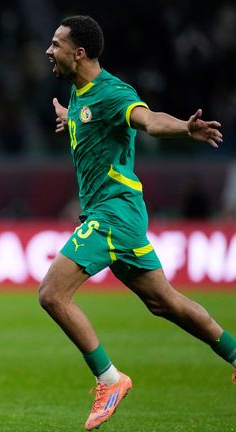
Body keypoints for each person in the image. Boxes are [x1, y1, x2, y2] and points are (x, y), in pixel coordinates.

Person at [41, 15, 234, 431]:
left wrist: (184, 127)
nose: (48, 51)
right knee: (163, 301)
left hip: (114, 212)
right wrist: (68, 119)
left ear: (79, 53)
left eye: (56, 45)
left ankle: (109, 380)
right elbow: (89, 124)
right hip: (118, 215)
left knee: (52, 294)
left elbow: (148, 120)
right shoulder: (78, 95)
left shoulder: (112, 93)